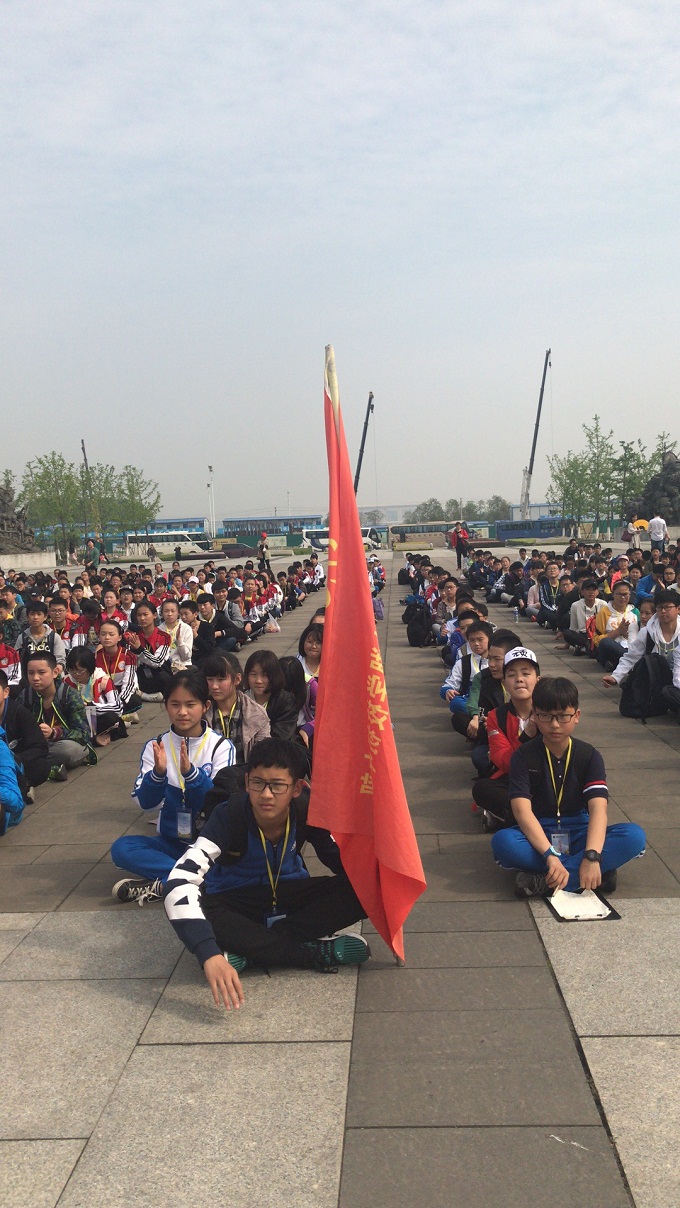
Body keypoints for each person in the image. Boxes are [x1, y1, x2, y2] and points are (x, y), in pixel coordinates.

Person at [163, 738, 370, 1006]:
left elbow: (342, 863)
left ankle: (251, 950)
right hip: (237, 903)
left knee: (367, 889)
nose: (266, 794)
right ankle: (310, 952)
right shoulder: (229, 815)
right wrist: (209, 955)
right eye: (258, 783)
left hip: (289, 898)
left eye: (278, 785)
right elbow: (179, 881)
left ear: (297, 788)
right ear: (247, 782)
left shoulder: (306, 810)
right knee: (200, 908)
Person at [491, 676, 646, 897]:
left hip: (580, 831)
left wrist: (592, 855)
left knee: (634, 836)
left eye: (563, 716)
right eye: (545, 716)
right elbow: (521, 811)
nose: (554, 725)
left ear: (577, 716)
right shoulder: (523, 756)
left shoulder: (589, 755)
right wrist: (550, 856)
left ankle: (545, 881)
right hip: (540, 833)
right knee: (503, 842)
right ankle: (592, 875)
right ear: (534, 715)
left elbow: (598, 809)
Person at [111, 669, 236, 904]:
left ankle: (166, 883)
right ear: (166, 706)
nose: (182, 712)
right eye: (175, 704)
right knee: (122, 848)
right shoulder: (156, 746)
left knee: (234, 860)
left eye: (190, 704)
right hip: (171, 843)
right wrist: (157, 775)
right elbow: (145, 803)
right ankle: (193, 882)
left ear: (205, 706)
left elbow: (220, 803)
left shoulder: (221, 746)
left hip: (208, 844)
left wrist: (192, 775)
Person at [471, 646, 540, 828]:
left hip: (544, 779)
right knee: (482, 788)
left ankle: (514, 820)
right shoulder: (496, 716)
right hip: (512, 780)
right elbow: (504, 762)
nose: (519, 679)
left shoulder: (548, 712)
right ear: (504, 682)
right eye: (511, 675)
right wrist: (528, 734)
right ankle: (531, 820)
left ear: (538, 680)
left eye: (526, 673)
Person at [19, 651, 95, 779]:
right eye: (31, 673)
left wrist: (54, 733)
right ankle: (49, 769)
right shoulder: (26, 696)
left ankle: (30, 766)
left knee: (68, 750)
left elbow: (83, 734)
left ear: (55, 672)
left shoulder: (69, 694)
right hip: (36, 746)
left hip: (61, 745)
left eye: (41, 672)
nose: (35, 678)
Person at [0, 669, 50, 801]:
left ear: (6, 692)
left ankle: (24, 785)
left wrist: (14, 759)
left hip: (17, 762)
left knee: (41, 766)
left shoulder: (20, 713)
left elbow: (40, 746)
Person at [64, 646, 125, 746]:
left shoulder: (103, 680)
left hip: (97, 718)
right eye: (72, 670)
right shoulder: (66, 681)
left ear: (90, 668)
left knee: (112, 718)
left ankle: (88, 738)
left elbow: (118, 707)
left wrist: (92, 706)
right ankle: (95, 738)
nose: (76, 674)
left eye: (80, 671)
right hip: (77, 719)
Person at [244, 649, 298, 739]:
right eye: (253, 674)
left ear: (274, 675)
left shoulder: (285, 701)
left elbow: (281, 735)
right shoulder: (241, 699)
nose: (258, 681)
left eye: (264, 675)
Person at [126, 601, 173, 702]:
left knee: (164, 677)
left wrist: (139, 649)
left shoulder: (164, 637)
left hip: (158, 675)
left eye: (145, 614)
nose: (142, 618)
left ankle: (144, 695)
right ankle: (146, 696)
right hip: (141, 674)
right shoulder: (135, 636)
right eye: (139, 615)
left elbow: (157, 662)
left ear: (155, 615)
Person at [96, 620, 142, 720]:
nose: (107, 637)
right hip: (103, 693)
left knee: (135, 700)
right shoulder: (96, 656)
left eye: (111, 634)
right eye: (103, 634)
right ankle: (122, 718)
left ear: (120, 637)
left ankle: (116, 716)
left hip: (121, 692)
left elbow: (129, 683)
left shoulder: (128, 656)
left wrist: (119, 703)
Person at [593, 581, 640, 670]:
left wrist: (629, 634)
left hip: (630, 648)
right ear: (613, 594)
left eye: (625, 594)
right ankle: (630, 663)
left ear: (630, 595)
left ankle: (622, 663)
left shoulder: (635, 611)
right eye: (619, 594)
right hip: (613, 647)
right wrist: (618, 631)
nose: (622, 597)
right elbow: (596, 640)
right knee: (605, 642)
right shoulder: (604, 612)